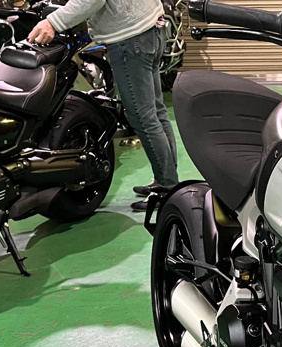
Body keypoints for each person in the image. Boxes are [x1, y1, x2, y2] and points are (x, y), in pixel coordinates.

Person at [29, 0, 178, 211]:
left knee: (143, 116)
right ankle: (168, 180)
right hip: (150, 27)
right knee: (155, 111)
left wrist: (53, 22)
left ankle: (166, 187)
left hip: (130, 37)